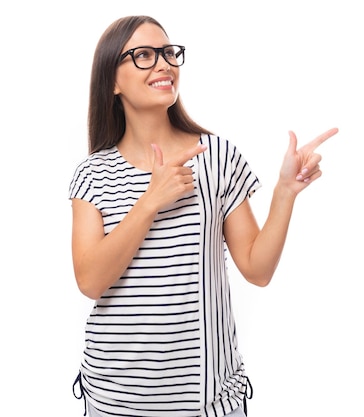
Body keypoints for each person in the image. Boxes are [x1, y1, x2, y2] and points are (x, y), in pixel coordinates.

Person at [69, 15, 338, 417]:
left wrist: (285, 193)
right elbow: (90, 280)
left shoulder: (217, 157)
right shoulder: (93, 173)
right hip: (112, 400)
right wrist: (151, 200)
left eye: (168, 52)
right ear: (112, 81)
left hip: (208, 403)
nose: (163, 64)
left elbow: (257, 270)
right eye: (143, 55)